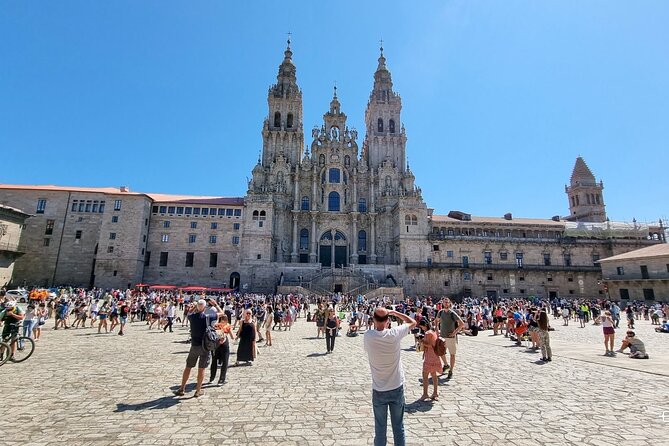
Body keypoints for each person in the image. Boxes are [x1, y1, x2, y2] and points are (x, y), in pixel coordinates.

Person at [363, 307, 416, 446]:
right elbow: (413, 322)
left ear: (373, 319)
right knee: (398, 427)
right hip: (396, 387)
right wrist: (396, 313)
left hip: (379, 389)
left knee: (380, 429)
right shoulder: (395, 333)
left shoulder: (368, 336)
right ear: (388, 321)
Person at [175, 299, 224, 397]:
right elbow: (222, 313)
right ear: (205, 308)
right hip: (205, 346)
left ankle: (182, 388)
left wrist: (195, 306)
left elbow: (189, 312)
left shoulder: (192, 317)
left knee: (188, 367)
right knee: (201, 369)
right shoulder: (208, 317)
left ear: (197, 307)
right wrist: (216, 304)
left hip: (194, 346)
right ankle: (198, 390)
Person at [436, 298, 465, 379]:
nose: (445, 303)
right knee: (440, 352)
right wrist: (436, 330)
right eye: (444, 302)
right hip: (442, 336)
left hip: (450, 337)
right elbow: (436, 321)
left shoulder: (452, 313)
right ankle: (446, 365)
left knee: (452, 354)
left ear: (449, 303)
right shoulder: (440, 312)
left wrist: (454, 333)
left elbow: (461, 324)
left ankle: (451, 370)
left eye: (447, 302)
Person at [419, 320, 441, 401]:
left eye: (421, 326)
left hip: (429, 356)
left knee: (425, 375)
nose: (421, 328)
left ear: (425, 325)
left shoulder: (428, 333)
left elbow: (429, 345)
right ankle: (435, 392)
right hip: (435, 355)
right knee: (434, 375)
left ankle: (425, 394)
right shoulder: (433, 332)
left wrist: (421, 340)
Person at [210, 314, 234, 385]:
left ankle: (212, 377)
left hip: (216, 344)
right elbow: (232, 336)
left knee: (214, 361)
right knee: (225, 362)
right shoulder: (228, 326)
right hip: (224, 344)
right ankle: (221, 379)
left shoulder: (216, 325)